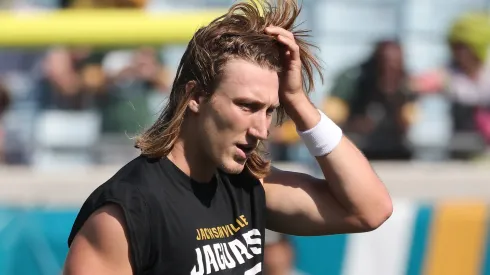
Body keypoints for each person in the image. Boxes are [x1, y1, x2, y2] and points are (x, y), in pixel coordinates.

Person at [63, 1, 393, 275]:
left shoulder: (247, 185)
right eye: (247, 106)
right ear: (194, 95)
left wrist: (297, 101)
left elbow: (370, 209)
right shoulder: (125, 214)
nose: (262, 130)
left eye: (269, 111)